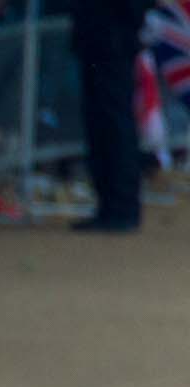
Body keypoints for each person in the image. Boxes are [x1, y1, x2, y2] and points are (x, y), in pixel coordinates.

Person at [70, 0, 147, 232]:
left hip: (113, 43)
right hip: (96, 41)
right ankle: (109, 205)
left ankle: (121, 207)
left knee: (115, 125)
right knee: (99, 125)